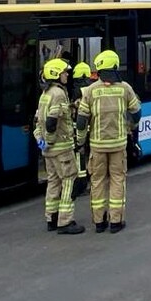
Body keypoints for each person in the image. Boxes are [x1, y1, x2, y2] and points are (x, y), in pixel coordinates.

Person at [76, 50, 142, 234]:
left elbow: (81, 120)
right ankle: (116, 221)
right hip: (118, 145)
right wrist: (130, 126)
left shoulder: (90, 91)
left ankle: (99, 222)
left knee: (97, 182)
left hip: (97, 146)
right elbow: (137, 112)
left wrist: (80, 141)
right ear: (115, 66)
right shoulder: (125, 88)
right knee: (117, 180)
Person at [33, 58, 84, 234]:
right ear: (55, 74)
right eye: (64, 72)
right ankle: (65, 222)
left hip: (48, 151)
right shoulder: (59, 93)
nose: (67, 75)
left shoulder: (45, 94)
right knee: (69, 181)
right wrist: (51, 139)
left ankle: (51, 218)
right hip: (61, 149)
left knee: (53, 182)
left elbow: (38, 121)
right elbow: (51, 122)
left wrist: (42, 141)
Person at [70, 62, 94, 199]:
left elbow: (74, 112)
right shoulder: (93, 88)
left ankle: (81, 185)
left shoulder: (77, 91)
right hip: (93, 129)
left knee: (79, 157)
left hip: (80, 129)